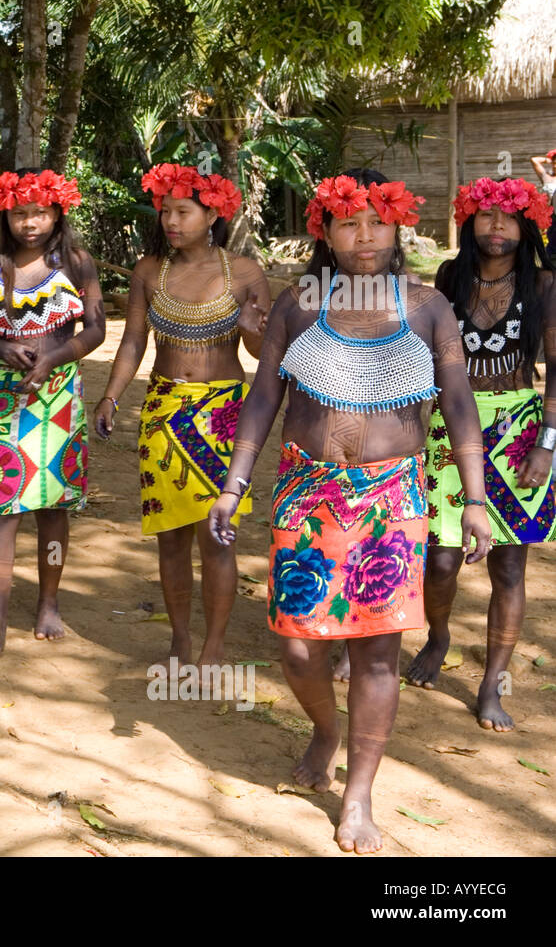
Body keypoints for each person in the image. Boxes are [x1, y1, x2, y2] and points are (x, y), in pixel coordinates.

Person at [209, 169, 491, 854]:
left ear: (398, 227)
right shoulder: (297, 306)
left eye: (376, 221)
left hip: (392, 500)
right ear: (324, 231)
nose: (363, 236)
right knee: (299, 644)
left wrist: (476, 497)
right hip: (307, 495)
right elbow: (261, 401)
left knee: (376, 651)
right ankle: (327, 730)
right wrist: (234, 482)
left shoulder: (429, 308)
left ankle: (359, 790)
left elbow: (457, 401)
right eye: (347, 222)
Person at [94, 163, 270, 667]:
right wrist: (110, 397)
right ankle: (180, 637)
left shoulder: (245, 273)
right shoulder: (151, 271)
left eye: (183, 211)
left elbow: (260, 352)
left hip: (221, 417)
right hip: (164, 412)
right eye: (166, 210)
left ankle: (214, 644)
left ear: (213, 212)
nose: (171, 220)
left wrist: (255, 326)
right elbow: (131, 341)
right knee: (169, 537)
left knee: (216, 536)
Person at [406, 176, 556, 731]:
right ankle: (438, 636)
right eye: (487, 216)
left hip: (520, 429)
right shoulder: (450, 277)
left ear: (527, 225)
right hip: (452, 425)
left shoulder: (543, 285)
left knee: (509, 565)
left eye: (510, 217)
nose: (498, 226)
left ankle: (492, 685)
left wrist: (547, 445)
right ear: (469, 223)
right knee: (440, 557)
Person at [0, 168, 105, 663]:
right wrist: (2, 348)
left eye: (40, 212)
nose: (29, 223)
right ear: (5, 214)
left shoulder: (77, 263)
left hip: (59, 400)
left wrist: (53, 359)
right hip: (2, 399)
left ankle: (48, 601)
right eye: (20, 213)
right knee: (2, 513)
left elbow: (96, 329)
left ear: (57, 212)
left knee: (52, 510)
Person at [529, 148, 556, 258]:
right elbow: (534, 160)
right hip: (547, 215)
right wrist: (548, 160)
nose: (555, 166)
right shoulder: (547, 177)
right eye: (554, 163)